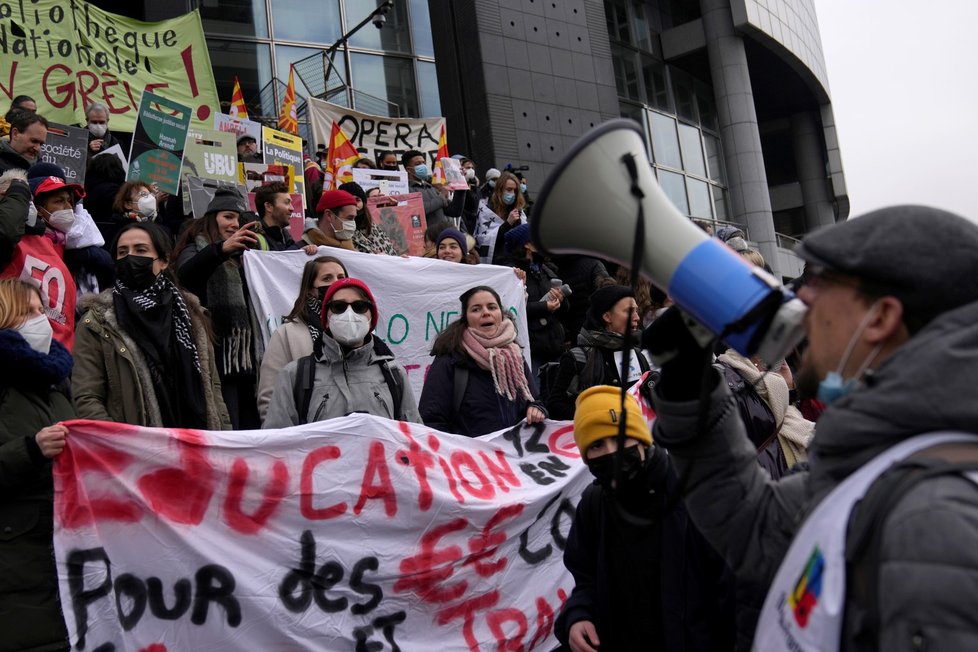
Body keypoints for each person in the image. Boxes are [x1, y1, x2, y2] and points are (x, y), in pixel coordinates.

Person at [646, 206, 978, 650]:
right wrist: (688, 378)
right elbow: (752, 526)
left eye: (821, 283)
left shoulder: (933, 520)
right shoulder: (882, 459)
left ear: (880, 318)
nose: (801, 301)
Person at [554, 386, 735, 652]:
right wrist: (578, 615)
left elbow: (734, 595)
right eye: (596, 445)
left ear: (641, 439)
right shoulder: (593, 506)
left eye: (620, 437)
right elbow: (586, 580)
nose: (611, 452)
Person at [73, 222, 230, 429]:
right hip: (136, 452)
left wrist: (224, 434)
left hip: (196, 444)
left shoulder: (191, 315)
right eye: (122, 252)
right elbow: (87, 397)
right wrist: (124, 444)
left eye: (141, 250)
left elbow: (213, 388)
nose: (130, 257)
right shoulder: (97, 322)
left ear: (163, 261)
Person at [0, 279, 72, 652]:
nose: (40, 320)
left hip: (60, 550)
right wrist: (30, 449)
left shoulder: (57, 381)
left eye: (41, 310)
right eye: (27, 312)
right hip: (15, 563)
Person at [264, 278, 421, 426]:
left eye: (360, 306)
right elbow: (277, 445)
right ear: (326, 318)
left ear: (371, 317)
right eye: (339, 307)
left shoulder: (394, 374)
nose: (349, 314)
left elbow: (414, 440)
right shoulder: (295, 375)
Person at [173, 187, 262, 428]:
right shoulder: (196, 247)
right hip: (217, 357)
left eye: (238, 218)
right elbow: (185, 275)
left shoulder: (248, 256)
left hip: (248, 360)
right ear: (212, 219)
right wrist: (220, 251)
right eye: (228, 217)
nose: (234, 224)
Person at [419, 285, 547, 436]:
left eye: (492, 307)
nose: (486, 313)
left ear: (501, 313)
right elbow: (432, 419)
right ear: (466, 319)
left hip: (512, 456)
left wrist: (537, 409)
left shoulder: (514, 357)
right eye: (476, 309)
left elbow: (534, 400)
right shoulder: (450, 360)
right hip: (468, 457)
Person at [257, 256, 348, 423]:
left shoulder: (359, 332)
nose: (336, 283)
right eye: (327, 278)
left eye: (341, 278)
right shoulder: (286, 335)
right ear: (310, 289)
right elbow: (270, 398)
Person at [0, 171, 78, 350]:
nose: (68, 207)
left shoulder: (55, 245)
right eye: (59, 201)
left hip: (56, 357)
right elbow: (7, 231)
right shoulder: (14, 242)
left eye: (70, 201)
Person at [547, 285, 650, 420]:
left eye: (636, 311)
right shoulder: (577, 358)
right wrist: (601, 417)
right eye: (629, 311)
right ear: (607, 317)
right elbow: (555, 406)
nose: (636, 317)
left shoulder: (637, 355)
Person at [500, 223, 567, 376]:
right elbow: (510, 309)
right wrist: (544, 307)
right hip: (530, 348)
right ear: (528, 245)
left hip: (554, 346)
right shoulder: (513, 273)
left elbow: (566, 310)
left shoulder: (546, 270)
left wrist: (561, 299)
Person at [402, 149, 466, 230]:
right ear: (408, 169)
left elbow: (454, 211)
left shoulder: (431, 187)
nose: (423, 166)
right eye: (418, 164)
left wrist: (461, 187)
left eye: (423, 163)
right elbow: (418, 211)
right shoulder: (406, 189)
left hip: (442, 237)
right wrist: (441, 197)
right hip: (425, 238)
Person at [473, 170, 527, 264]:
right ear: (499, 190)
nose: (513, 194)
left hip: (514, 264)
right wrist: (507, 224)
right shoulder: (486, 210)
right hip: (494, 264)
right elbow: (484, 240)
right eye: (509, 190)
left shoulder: (519, 213)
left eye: (515, 190)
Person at [340, 181, 398, 256]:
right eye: (349, 200)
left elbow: (392, 254)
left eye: (357, 200)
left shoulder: (374, 228)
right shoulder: (340, 231)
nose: (354, 204)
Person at [294, 189, 358, 251]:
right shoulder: (299, 251)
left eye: (354, 219)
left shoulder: (352, 249)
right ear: (329, 215)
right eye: (349, 218)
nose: (353, 223)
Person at [253, 180, 296, 250]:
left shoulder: (287, 240)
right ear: (268, 207)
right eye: (286, 202)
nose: (292, 208)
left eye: (291, 203)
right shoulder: (253, 242)